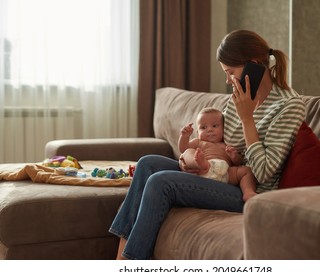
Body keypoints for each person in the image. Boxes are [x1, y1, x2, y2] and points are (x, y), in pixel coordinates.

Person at [109, 29, 306, 260]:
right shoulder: (238, 97)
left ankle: (131, 265)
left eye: (230, 72)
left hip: (248, 191)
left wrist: (247, 119)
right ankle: (120, 259)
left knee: (161, 181)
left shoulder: (289, 106)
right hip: (216, 173)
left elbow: (263, 172)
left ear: (253, 65)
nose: (227, 80)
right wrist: (191, 155)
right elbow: (213, 141)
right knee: (147, 164)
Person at [178, 107, 257, 202]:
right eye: (204, 127)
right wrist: (184, 137)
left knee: (246, 171)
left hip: (225, 173)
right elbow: (183, 148)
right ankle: (199, 163)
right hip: (202, 171)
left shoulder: (226, 145)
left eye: (215, 126)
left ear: (224, 129)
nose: (209, 130)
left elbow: (238, 163)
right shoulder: (198, 142)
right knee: (188, 152)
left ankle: (248, 192)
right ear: (198, 132)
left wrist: (234, 156)